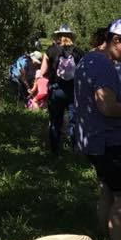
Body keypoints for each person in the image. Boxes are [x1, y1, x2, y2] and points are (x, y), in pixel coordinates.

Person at [73, 19, 121, 240]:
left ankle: (101, 233)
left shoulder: (87, 59)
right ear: (115, 41)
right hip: (106, 141)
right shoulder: (103, 66)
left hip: (91, 139)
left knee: (107, 188)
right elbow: (107, 106)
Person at [39, 25, 83, 156]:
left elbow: (43, 72)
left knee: (55, 121)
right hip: (73, 91)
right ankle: (75, 149)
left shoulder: (51, 50)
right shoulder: (79, 52)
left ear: (57, 36)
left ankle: (55, 152)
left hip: (56, 90)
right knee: (74, 121)